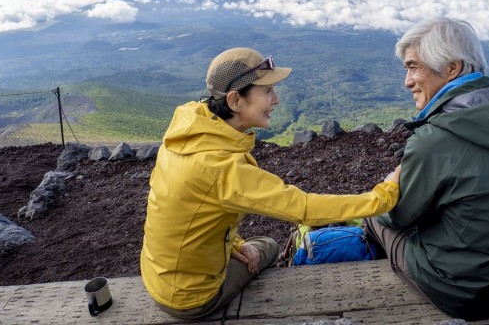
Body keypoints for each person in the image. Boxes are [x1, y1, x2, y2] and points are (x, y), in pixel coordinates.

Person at [140, 47, 401, 320]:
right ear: (234, 100)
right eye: (266, 91)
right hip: (189, 298)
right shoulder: (220, 167)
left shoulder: (187, 130)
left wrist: (235, 243)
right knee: (269, 246)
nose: (275, 99)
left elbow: (187, 209)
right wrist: (384, 196)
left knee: (253, 246)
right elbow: (304, 208)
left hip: (157, 273)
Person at [364, 18, 489, 321]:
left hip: (464, 293)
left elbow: (399, 215)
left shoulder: (434, 139)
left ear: (451, 68)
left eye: (414, 67)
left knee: (374, 214)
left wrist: (389, 185)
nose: (407, 81)